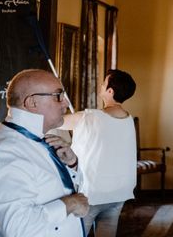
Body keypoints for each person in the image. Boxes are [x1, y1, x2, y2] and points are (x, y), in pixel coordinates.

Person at [0, 69, 88, 236]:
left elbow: (56, 188)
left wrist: (72, 165)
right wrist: (69, 204)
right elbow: (20, 228)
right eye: (58, 95)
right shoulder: (4, 153)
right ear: (32, 102)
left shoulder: (36, 141)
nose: (66, 103)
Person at [60, 69, 137, 237]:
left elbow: (58, 122)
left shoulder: (89, 117)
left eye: (104, 83)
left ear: (110, 91)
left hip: (91, 194)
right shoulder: (128, 119)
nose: (101, 86)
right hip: (119, 192)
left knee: (77, 234)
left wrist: (60, 104)